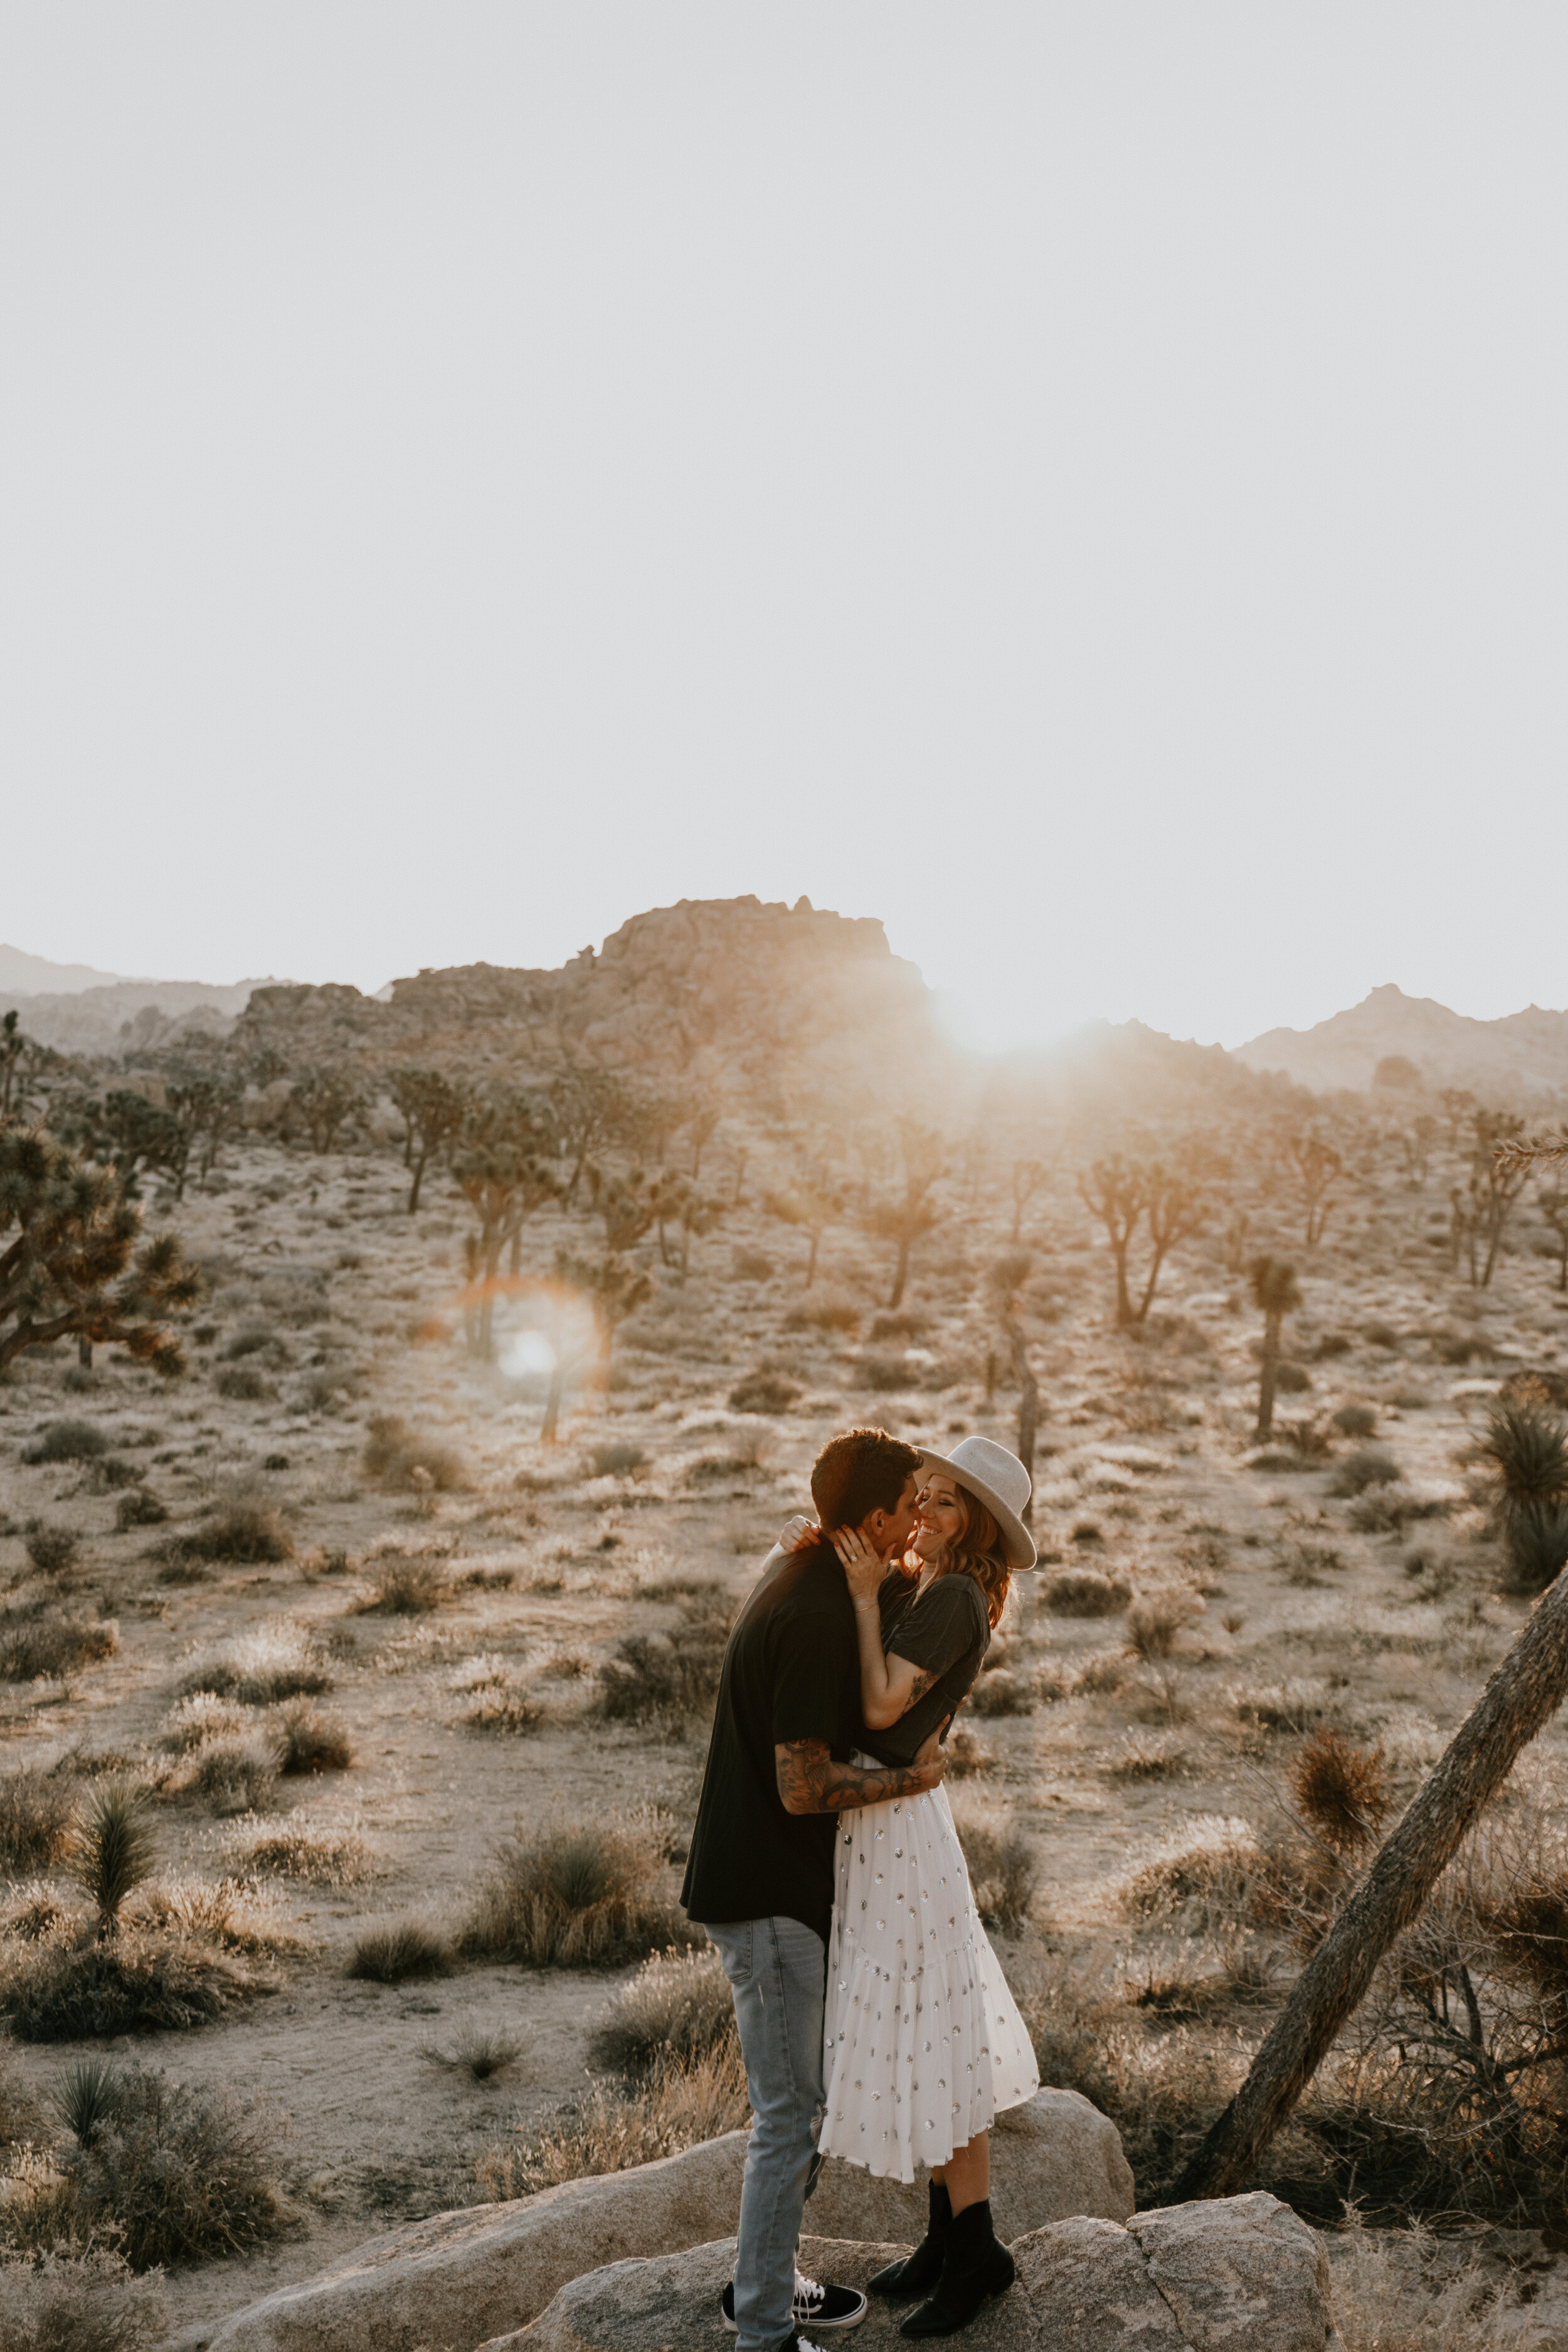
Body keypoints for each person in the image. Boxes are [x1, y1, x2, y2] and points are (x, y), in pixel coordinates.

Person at [681, 1428, 952, 2352]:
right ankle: (761, 2329)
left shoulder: (810, 1570)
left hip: (763, 1883)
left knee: (799, 2100)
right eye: (916, 1500)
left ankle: (770, 2280)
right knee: (789, 2113)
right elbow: (803, 1785)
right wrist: (908, 1782)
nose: (924, 1511)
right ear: (874, 1520)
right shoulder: (816, 1612)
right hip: (766, 1893)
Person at [793, 1435, 1041, 2338]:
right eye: (924, 1495)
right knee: (925, 2027)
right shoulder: (929, 1587)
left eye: (946, 1503)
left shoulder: (957, 1599)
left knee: (938, 2030)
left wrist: (863, 1599)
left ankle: (975, 2251)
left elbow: (883, 1708)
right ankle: (949, 2237)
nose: (926, 1511)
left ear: (973, 1525)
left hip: (902, 1833)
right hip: (887, 1826)